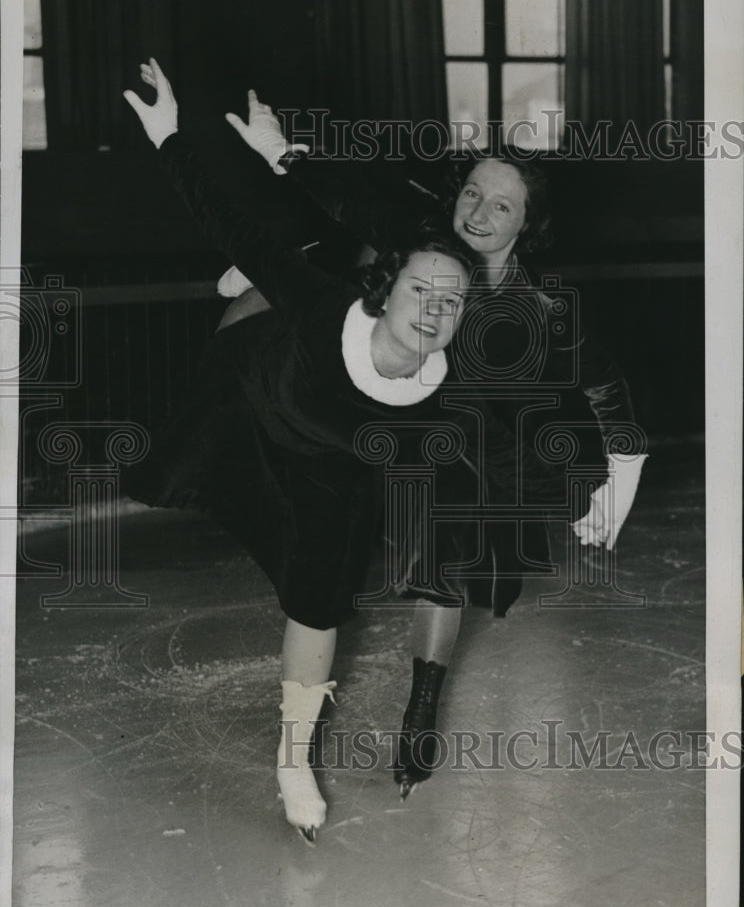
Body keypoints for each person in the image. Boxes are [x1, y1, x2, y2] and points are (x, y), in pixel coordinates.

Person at [122, 59, 530, 841]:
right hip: (263, 378)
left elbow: (498, 452)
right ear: (387, 289)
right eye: (420, 293)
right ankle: (256, 285)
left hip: (335, 451)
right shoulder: (342, 294)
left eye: (451, 306)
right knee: (272, 269)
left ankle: (292, 755)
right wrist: (172, 135)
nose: (433, 311)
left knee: (321, 589)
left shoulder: (458, 376)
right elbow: (234, 216)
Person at [208, 87, 648, 798]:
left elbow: (604, 382)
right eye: (472, 193)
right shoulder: (426, 235)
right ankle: (275, 266)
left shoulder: (529, 308)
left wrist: (621, 472)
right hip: (353, 372)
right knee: (313, 285)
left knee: (454, 535)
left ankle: (422, 707)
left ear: (524, 228)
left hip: (438, 424)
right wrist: (280, 155)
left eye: (499, 206)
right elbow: (351, 199)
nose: (477, 213)